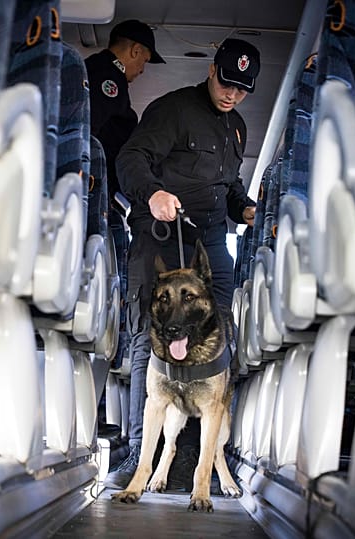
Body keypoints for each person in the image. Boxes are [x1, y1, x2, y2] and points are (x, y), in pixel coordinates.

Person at [104, 38, 260, 490]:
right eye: (227, 83)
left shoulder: (237, 129)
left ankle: (200, 450)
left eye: (242, 89)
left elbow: (229, 190)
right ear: (212, 71)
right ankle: (140, 454)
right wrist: (152, 193)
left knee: (218, 338)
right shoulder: (173, 110)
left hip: (211, 246)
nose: (232, 94)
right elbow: (130, 159)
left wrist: (246, 209)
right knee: (147, 341)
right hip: (163, 240)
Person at [84, 21, 164, 368]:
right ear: (134, 51)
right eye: (143, 61)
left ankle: (114, 349)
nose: (141, 70)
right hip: (96, 193)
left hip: (105, 194)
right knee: (113, 272)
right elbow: (92, 135)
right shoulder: (108, 78)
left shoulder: (104, 75)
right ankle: (115, 350)